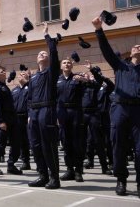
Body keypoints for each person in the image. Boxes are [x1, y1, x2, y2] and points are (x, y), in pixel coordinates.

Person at [92, 16, 140, 197]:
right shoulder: (121, 66)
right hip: (120, 108)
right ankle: (121, 179)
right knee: (118, 145)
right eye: (135, 46)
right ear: (130, 53)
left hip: (138, 110)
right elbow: (107, 51)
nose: (137, 47)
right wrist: (98, 30)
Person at [27, 22, 61, 189]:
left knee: (48, 145)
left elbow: (54, 54)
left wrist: (47, 36)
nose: (42, 54)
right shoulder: (33, 77)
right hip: (34, 112)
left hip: (47, 109)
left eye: (44, 53)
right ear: (36, 59)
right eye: (39, 53)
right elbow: (29, 97)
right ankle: (42, 175)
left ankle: (55, 177)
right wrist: (29, 114)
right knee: (36, 145)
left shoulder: (51, 72)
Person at [56, 58, 88, 182]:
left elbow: (92, 86)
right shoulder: (57, 80)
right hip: (62, 112)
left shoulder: (77, 78)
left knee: (77, 142)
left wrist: (84, 80)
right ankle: (69, 169)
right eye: (64, 63)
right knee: (66, 142)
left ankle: (78, 170)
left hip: (76, 112)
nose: (67, 64)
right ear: (61, 66)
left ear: (72, 66)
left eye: (69, 63)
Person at [0, 68, 22, 176]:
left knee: (16, 142)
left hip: (12, 119)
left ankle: (11, 165)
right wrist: (0, 121)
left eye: (4, 71)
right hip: (3, 119)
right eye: (1, 72)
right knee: (0, 144)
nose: (4, 72)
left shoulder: (5, 87)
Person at [11, 71, 31, 171]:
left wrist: (28, 83)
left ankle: (33, 160)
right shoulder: (14, 90)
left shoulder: (30, 88)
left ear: (28, 77)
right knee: (19, 141)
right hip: (16, 118)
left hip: (27, 117)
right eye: (20, 75)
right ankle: (25, 161)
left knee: (28, 140)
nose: (21, 76)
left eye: (24, 75)